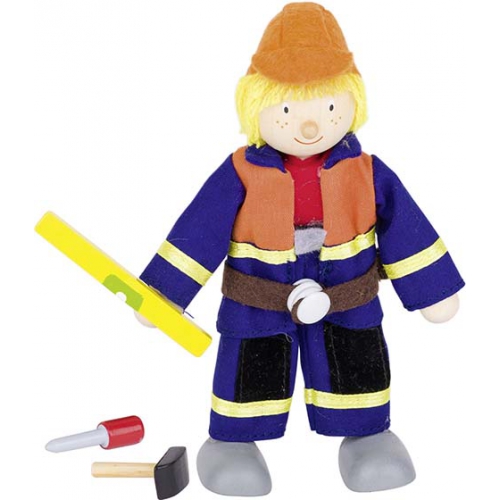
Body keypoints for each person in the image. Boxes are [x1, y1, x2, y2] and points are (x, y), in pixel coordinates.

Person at [137, 3, 464, 495]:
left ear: (352, 103)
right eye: (288, 110)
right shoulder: (241, 172)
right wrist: (164, 293)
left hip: (346, 299)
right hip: (258, 301)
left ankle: (367, 437)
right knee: (250, 372)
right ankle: (233, 442)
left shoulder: (367, 173)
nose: (310, 127)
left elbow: (406, 229)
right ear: (257, 106)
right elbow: (199, 230)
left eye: (329, 108)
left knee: (355, 367)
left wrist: (432, 291)